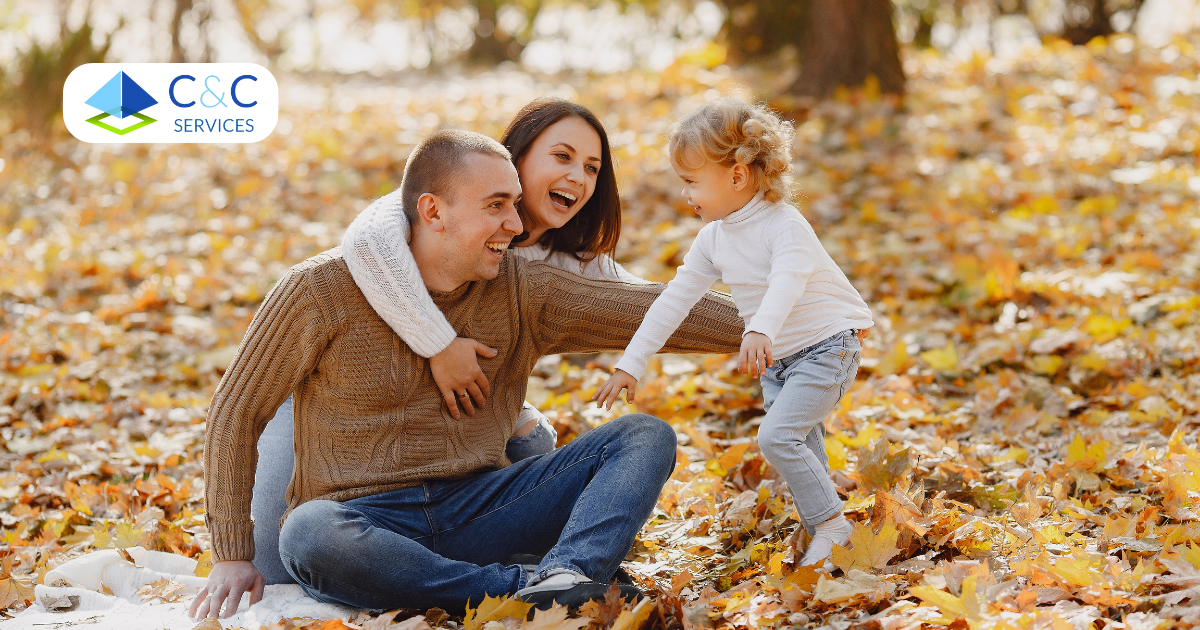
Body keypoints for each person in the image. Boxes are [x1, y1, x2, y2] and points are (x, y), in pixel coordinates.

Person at [190, 130, 745, 619]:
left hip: (483, 504)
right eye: (498, 205)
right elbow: (235, 411)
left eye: (515, 204)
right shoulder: (318, 291)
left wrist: (789, 323)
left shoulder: (522, 291)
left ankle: (568, 575)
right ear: (433, 212)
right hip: (363, 518)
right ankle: (527, 591)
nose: (515, 222)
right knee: (307, 533)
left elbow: (652, 309)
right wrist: (233, 555)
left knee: (644, 436)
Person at [248, 99, 650, 586]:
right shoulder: (445, 200)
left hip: (465, 436)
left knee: (534, 437)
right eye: (562, 157)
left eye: (592, 167)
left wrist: (764, 319)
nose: (578, 177)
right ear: (515, 159)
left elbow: (650, 305)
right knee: (276, 563)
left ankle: (550, 572)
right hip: (341, 418)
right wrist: (438, 343)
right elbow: (366, 244)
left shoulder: (574, 264)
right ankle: (489, 574)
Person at [593, 97, 874, 571]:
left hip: (828, 345)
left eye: (691, 182)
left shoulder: (784, 225)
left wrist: (760, 327)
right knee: (802, 440)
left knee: (778, 437)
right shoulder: (714, 238)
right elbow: (674, 300)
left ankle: (832, 527)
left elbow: (789, 278)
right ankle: (824, 527)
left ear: (737, 176)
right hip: (780, 361)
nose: (686, 195)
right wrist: (631, 361)